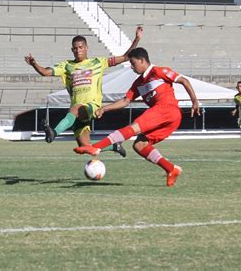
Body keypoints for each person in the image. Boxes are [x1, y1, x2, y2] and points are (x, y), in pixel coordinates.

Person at [74, 47, 200, 187]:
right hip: (166, 117)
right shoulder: (138, 83)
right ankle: (171, 169)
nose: (132, 68)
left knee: (133, 127)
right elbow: (125, 101)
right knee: (140, 145)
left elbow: (184, 81)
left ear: (142, 60)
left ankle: (96, 147)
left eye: (133, 63)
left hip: (166, 109)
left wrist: (194, 101)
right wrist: (105, 108)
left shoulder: (158, 71)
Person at [24, 27, 143, 156]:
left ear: (86, 48)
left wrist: (136, 39)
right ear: (72, 50)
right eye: (75, 48)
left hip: (91, 106)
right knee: (85, 148)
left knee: (75, 109)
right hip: (75, 115)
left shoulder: (98, 62)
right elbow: (44, 72)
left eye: (81, 47)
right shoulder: (66, 66)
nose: (78, 50)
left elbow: (126, 57)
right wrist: (34, 64)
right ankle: (114, 146)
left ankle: (54, 132)